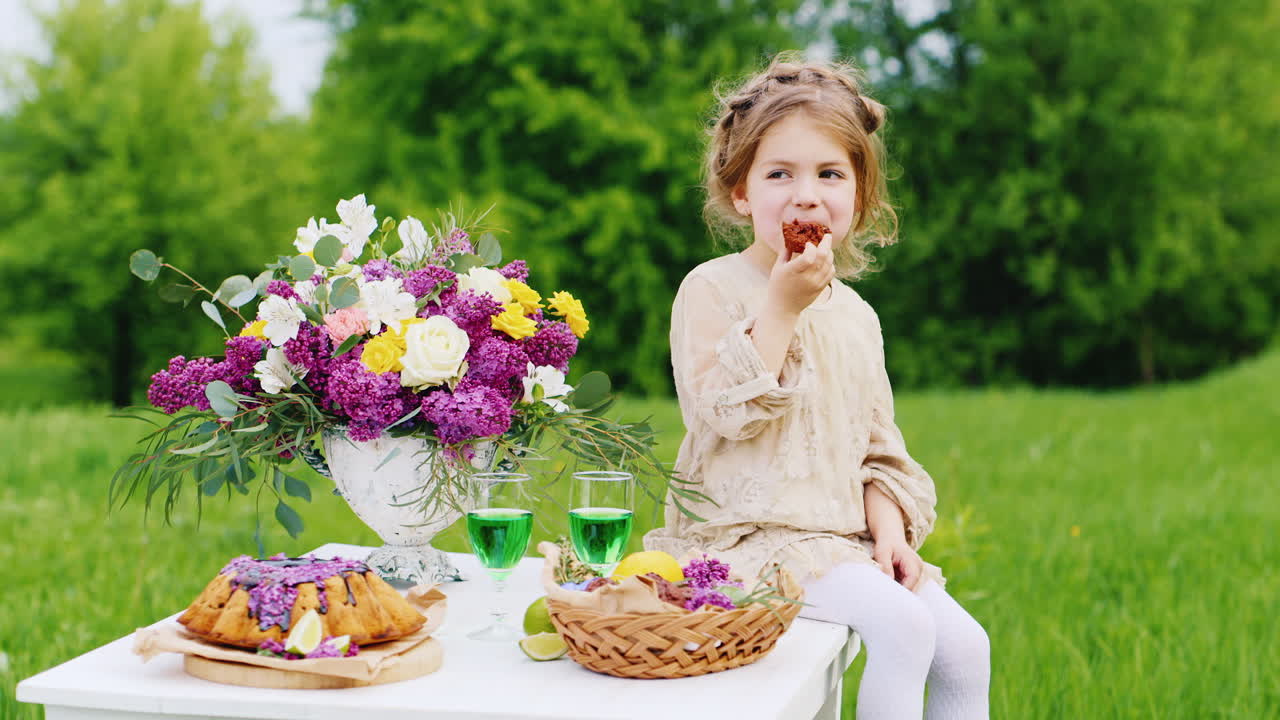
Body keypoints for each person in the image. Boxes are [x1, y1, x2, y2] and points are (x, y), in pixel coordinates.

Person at [643, 53, 990, 719]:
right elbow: (721, 416)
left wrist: (889, 531)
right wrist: (779, 309)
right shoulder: (712, 288)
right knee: (904, 627)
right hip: (745, 539)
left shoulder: (857, 316)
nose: (806, 194)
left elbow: (877, 449)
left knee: (966, 649)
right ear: (742, 192)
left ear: (858, 196)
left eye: (830, 173)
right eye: (780, 174)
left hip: (845, 542)